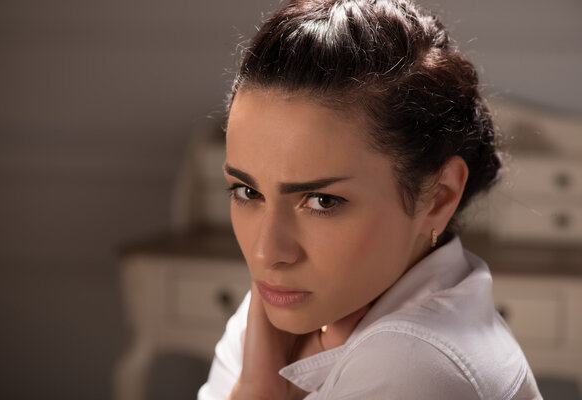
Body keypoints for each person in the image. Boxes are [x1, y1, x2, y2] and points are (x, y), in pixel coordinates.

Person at [198, 0, 542, 398]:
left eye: (322, 201)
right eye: (247, 192)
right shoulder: (280, 317)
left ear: (438, 197)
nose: (266, 252)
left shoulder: (408, 367)